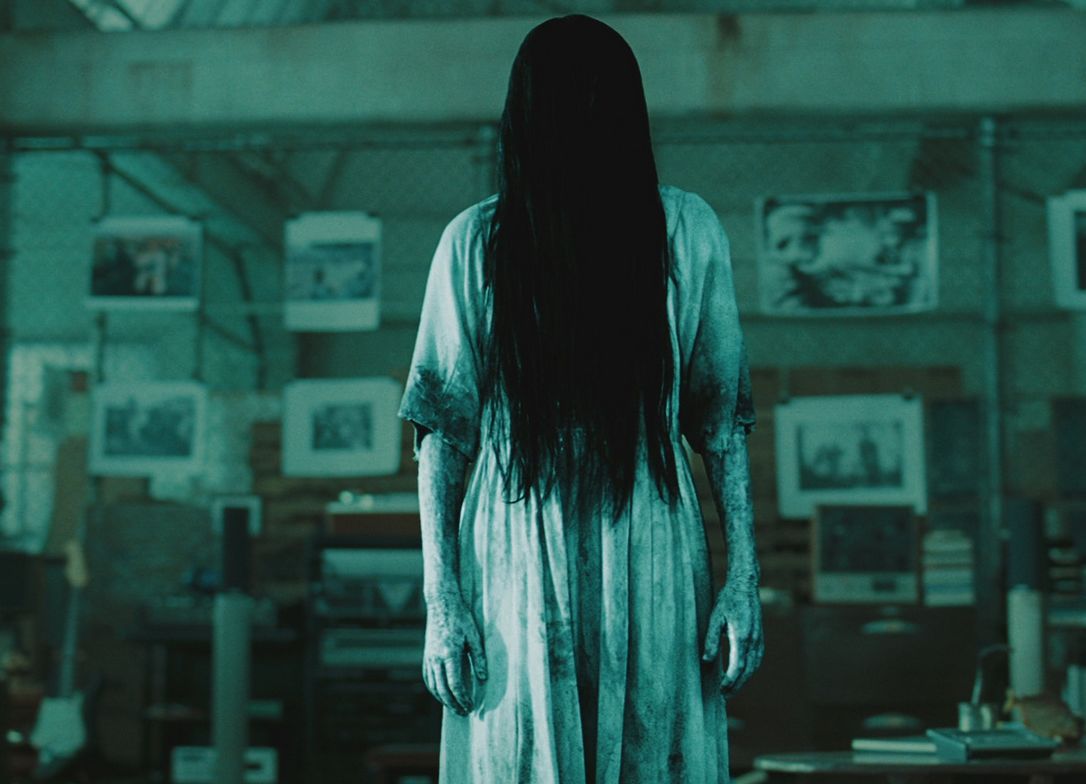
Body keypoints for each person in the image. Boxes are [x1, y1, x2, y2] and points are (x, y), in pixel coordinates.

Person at [398, 14, 762, 783]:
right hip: (526, 549)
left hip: (641, 538)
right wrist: (443, 602)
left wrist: (743, 581)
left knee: (647, 747)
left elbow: (721, 417)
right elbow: (443, 433)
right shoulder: (476, 243)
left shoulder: (684, 232)